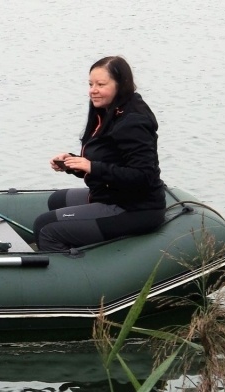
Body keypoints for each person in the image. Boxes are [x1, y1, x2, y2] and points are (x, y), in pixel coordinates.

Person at [33, 56, 166, 251]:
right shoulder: (106, 112)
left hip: (135, 208)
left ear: (120, 85)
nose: (92, 90)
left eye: (101, 84)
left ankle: (71, 274)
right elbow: (105, 159)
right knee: (56, 201)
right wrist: (71, 162)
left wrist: (91, 167)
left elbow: (143, 176)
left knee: (44, 227)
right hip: (110, 195)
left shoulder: (133, 122)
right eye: (90, 84)